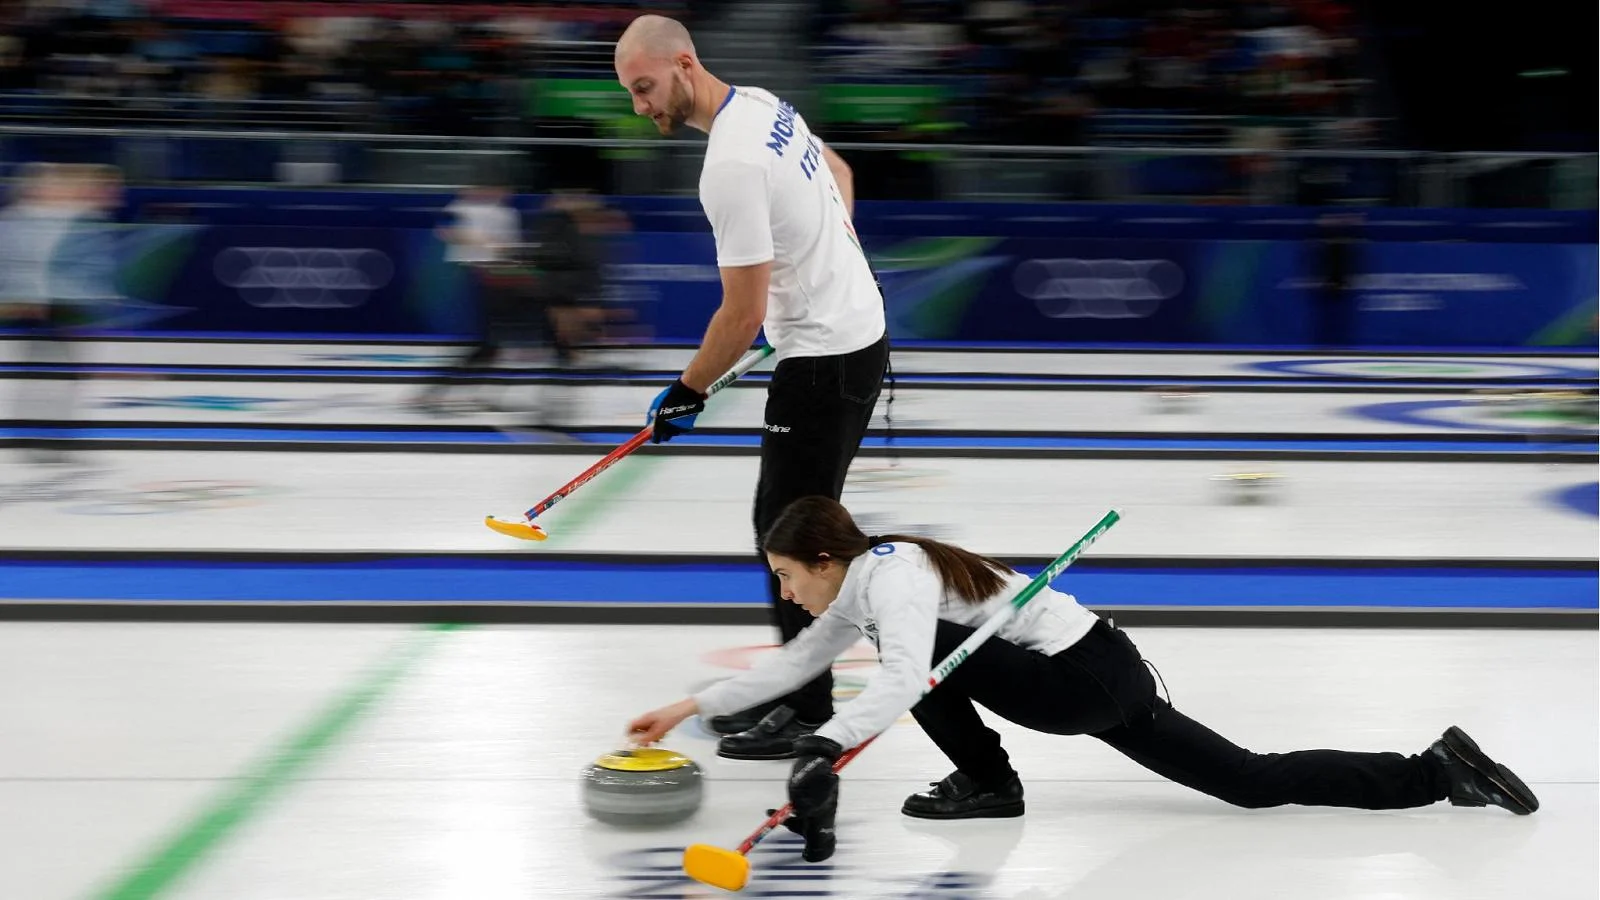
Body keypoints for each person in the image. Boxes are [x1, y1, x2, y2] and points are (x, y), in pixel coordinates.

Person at [626, 496, 1540, 864]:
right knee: (1251, 782)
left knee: (926, 664)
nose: (784, 591)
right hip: (1100, 678)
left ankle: (987, 783)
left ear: (825, 558)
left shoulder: (896, 579)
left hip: (1080, 679)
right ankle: (1435, 770)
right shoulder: (866, 583)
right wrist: (683, 708)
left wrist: (824, 746)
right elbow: (800, 661)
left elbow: (905, 674)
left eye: (788, 574)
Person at [614, 14, 890, 760]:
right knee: (801, 528)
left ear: (683, 62)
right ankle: (804, 689)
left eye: (645, 88)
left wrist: (685, 390)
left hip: (824, 360)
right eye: (630, 95)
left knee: (788, 538)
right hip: (856, 336)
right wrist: (828, 264)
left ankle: (808, 708)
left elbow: (741, 315)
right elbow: (840, 176)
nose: (641, 108)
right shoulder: (765, 105)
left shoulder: (729, 165)